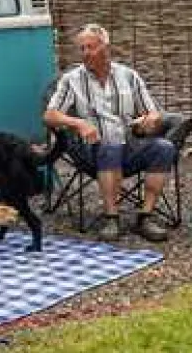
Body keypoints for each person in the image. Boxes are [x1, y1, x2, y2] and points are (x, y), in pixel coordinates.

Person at [42, 23, 177, 242]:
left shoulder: (129, 76)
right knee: (110, 145)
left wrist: (149, 120)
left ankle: (145, 216)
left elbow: (152, 112)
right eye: (82, 48)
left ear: (105, 48)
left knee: (164, 148)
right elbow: (50, 116)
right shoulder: (71, 80)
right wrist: (78, 123)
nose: (85, 53)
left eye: (90, 47)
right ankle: (111, 217)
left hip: (129, 145)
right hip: (92, 149)